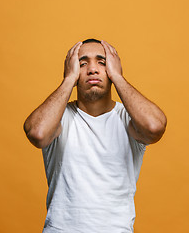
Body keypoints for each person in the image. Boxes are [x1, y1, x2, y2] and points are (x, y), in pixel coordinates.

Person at [24, 39, 167, 232]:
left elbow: (155, 127)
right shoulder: (58, 118)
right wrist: (67, 80)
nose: (92, 69)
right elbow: (38, 133)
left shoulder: (128, 119)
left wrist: (118, 77)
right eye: (82, 63)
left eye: (102, 62)